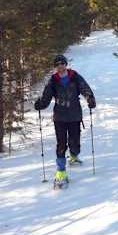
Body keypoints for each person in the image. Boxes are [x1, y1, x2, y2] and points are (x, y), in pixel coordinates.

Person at [35, 54, 96, 185]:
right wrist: (40, 104)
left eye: (62, 63)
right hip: (60, 117)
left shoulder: (74, 76)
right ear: (55, 67)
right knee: (61, 144)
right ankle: (61, 171)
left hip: (74, 115)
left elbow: (85, 88)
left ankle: (74, 155)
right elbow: (46, 96)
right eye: (57, 64)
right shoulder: (53, 80)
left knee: (75, 141)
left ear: (66, 64)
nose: (60, 66)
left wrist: (90, 99)